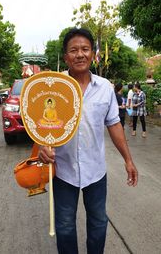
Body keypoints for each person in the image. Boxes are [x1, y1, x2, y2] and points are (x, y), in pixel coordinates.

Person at [38, 28, 138, 254]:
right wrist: (43, 146)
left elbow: (113, 124)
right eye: (73, 50)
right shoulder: (53, 86)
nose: (80, 54)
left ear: (93, 54)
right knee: (64, 228)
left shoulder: (105, 87)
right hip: (63, 171)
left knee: (99, 224)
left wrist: (128, 160)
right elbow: (41, 123)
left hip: (95, 172)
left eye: (85, 49)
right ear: (66, 57)